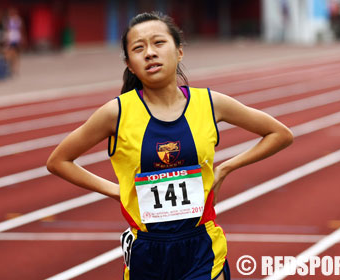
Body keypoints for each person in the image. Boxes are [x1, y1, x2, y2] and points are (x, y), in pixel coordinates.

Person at [47, 12, 293, 280]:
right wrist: (117, 191)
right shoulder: (115, 114)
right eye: (138, 48)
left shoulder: (210, 104)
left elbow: (279, 134)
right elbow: (59, 161)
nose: (150, 53)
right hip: (147, 251)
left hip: (202, 247)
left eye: (158, 43)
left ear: (179, 52)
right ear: (130, 64)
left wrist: (226, 168)